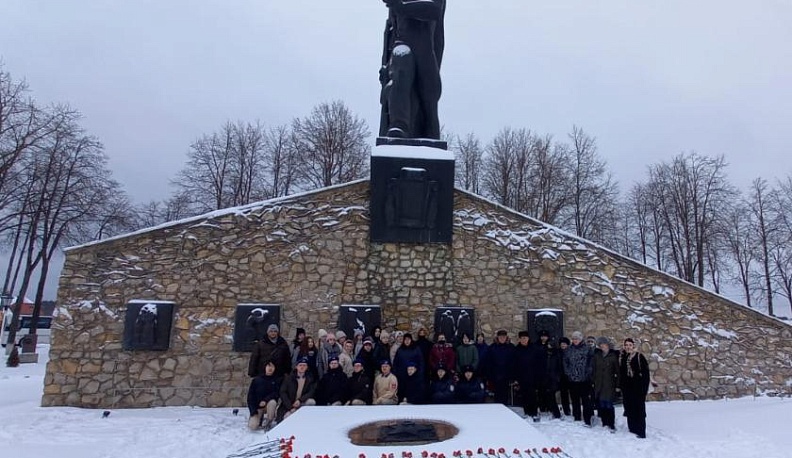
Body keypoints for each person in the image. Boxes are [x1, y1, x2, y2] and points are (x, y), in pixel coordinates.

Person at [378, 0, 446, 139]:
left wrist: (400, 7)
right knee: (401, 66)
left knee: (428, 105)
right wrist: (386, 66)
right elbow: (393, 31)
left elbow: (433, 11)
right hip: (402, 45)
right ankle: (399, 125)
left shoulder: (399, 4)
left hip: (425, 51)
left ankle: (429, 135)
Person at [619, 338, 651, 438]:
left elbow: (646, 374)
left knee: (639, 410)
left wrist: (644, 390)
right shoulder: (623, 357)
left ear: (633, 346)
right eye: (626, 345)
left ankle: (641, 432)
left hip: (638, 389)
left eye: (630, 345)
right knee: (629, 408)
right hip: (627, 389)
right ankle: (632, 429)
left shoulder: (639, 357)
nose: (628, 347)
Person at [563, 331, 593, 426]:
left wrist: (587, 373)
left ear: (581, 339)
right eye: (574, 339)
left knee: (585, 401)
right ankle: (577, 417)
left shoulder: (587, 349)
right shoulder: (568, 350)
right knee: (575, 400)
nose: (575, 340)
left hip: (584, 380)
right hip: (573, 380)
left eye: (577, 339)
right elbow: (565, 362)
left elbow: (591, 363)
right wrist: (568, 373)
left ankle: (587, 419)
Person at [513, 330, 544, 421]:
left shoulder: (535, 349)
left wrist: (539, 376)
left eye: (525, 338)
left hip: (533, 376)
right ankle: (526, 412)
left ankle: (534, 412)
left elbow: (540, 363)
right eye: (522, 338)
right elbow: (514, 364)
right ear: (519, 339)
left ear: (528, 338)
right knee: (524, 395)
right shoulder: (516, 350)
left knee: (533, 395)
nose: (523, 340)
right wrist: (515, 378)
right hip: (522, 376)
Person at [592, 337, 620, 432]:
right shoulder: (597, 356)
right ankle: (605, 422)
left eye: (603, 345)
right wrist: (593, 381)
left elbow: (617, 372)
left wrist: (617, 385)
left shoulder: (613, 356)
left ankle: (611, 424)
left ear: (607, 345)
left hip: (609, 385)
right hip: (599, 384)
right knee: (602, 404)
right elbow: (594, 370)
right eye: (600, 345)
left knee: (609, 405)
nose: (602, 346)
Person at [246, 361, 282, 430]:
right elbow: (250, 397)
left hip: (269, 404)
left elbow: (276, 393)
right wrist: (253, 411)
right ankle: (259, 419)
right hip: (258, 407)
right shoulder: (256, 380)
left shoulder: (277, 380)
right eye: (268, 366)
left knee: (272, 402)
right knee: (253, 426)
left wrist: (265, 400)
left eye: (272, 366)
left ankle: (269, 421)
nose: (270, 368)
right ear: (265, 367)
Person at [485, 329, 515, 405]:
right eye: (500, 337)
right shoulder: (492, 347)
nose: (502, 338)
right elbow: (488, 362)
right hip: (495, 375)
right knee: (497, 395)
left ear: (506, 337)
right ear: (497, 337)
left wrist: (512, 375)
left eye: (504, 337)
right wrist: (490, 375)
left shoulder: (511, 347)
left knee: (505, 394)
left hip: (507, 375)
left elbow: (514, 361)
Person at [537, 330, 562, 420]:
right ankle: (544, 411)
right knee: (543, 395)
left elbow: (559, 367)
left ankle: (556, 413)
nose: (549, 347)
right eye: (548, 346)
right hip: (544, 377)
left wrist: (557, 377)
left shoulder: (556, 355)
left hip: (553, 378)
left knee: (551, 396)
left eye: (550, 345)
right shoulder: (544, 353)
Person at [558, 337, 572, 416]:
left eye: (565, 344)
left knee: (573, 394)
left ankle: (572, 409)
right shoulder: (558, 353)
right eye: (562, 344)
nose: (563, 345)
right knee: (564, 394)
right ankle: (566, 410)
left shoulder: (571, 352)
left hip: (570, 376)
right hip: (561, 376)